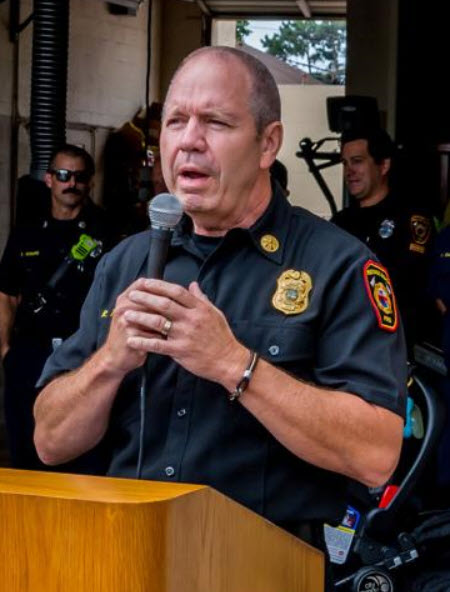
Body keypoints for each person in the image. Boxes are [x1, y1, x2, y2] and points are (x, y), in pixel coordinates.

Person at [33, 48, 405, 579]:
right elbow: (49, 441)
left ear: (267, 144)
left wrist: (234, 364)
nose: (189, 140)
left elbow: (375, 455)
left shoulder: (339, 266)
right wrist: (109, 362)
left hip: (262, 569)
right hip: (129, 559)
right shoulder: (125, 263)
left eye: (216, 122)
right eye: (176, 121)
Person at [0, 144, 116, 470]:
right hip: (30, 355)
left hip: (81, 356)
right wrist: (6, 351)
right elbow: (6, 294)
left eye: (79, 176)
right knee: (25, 449)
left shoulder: (106, 232)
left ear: (90, 182)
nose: (71, 183)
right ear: (49, 179)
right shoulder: (27, 232)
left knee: (82, 455)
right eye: (64, 175)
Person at [331, 128, 435, 353]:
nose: (349, 171)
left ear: (384, 165)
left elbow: (409, 283)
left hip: (393, 343)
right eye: (345, 163)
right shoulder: (340, 221)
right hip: (343, 339)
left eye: (357, 161)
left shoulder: (410, 219)